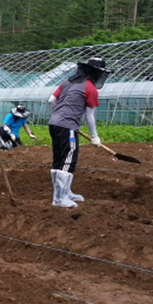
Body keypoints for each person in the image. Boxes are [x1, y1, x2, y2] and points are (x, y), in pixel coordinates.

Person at [46, 57, 112, 208]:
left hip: (54, 124)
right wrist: (94, 136)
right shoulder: (90, 88)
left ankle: (65, 192)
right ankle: (59, 199)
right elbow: (89, 116)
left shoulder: (67, 82)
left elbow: (51, 100)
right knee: (69, 159)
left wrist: (59, 114)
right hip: (67, 126)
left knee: (59, 159)